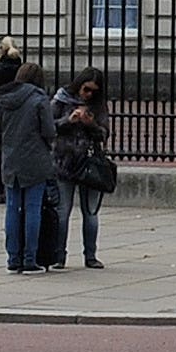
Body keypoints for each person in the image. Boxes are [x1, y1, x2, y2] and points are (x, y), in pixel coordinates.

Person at [0, 50, 59, 271]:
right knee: (33, 209)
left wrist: (9, 147)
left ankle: (12, 258)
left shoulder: (2, 98)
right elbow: (49, 131)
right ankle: (30, 258)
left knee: (12, 208)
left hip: (10, 159)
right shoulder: (39, 98)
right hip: (35, 160)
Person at [60, 72, 119, 268]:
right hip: (65, 161)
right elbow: (50, 126)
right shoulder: (62, 99)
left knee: (91, 212)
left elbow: (104, 133)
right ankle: (59, 255)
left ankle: (90, 255)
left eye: (94, 91)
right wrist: (68, 120)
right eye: (86, 89)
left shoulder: (98, 106)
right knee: (62, 211)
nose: (88, 95)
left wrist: (90, 124)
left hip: (90, 162)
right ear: (78, 85)